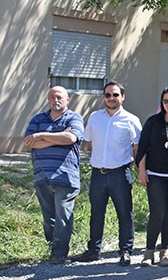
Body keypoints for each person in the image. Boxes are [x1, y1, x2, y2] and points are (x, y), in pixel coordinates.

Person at [75, 81, 143, 265]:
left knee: (124, 213)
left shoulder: (131, 120)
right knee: (96, 213)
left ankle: (125, 251)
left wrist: (133, 164)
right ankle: (93, 250)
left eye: (115, 95)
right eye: (108, 95)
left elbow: (138, 146)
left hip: (120, 174)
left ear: (123, 97)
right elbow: (89, 142)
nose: (111, 98)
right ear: (104, 97)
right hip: (98, 173)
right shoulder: (95, 117)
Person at [23, 86, 85, 263]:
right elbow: (30, 142)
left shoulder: (74, 118)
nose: (55, 100)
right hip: (42, 175)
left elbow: (71, 138)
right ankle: (51, 249)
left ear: (67, 100)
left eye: (59, 97)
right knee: (48, 218)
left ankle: (59, 254)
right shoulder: (38, 119)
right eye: (52, 97)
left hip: (65, 177)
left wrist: (42, 135)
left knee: (63, 216)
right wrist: (59, 136)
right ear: (48, 99)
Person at [137, 86, 168, 266]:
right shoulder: (153, 121)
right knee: (157, 212)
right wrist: (141, 170)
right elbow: (143, 148)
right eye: (166, 101)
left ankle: (164, 251)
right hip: (155, 174)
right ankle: (149, 251)